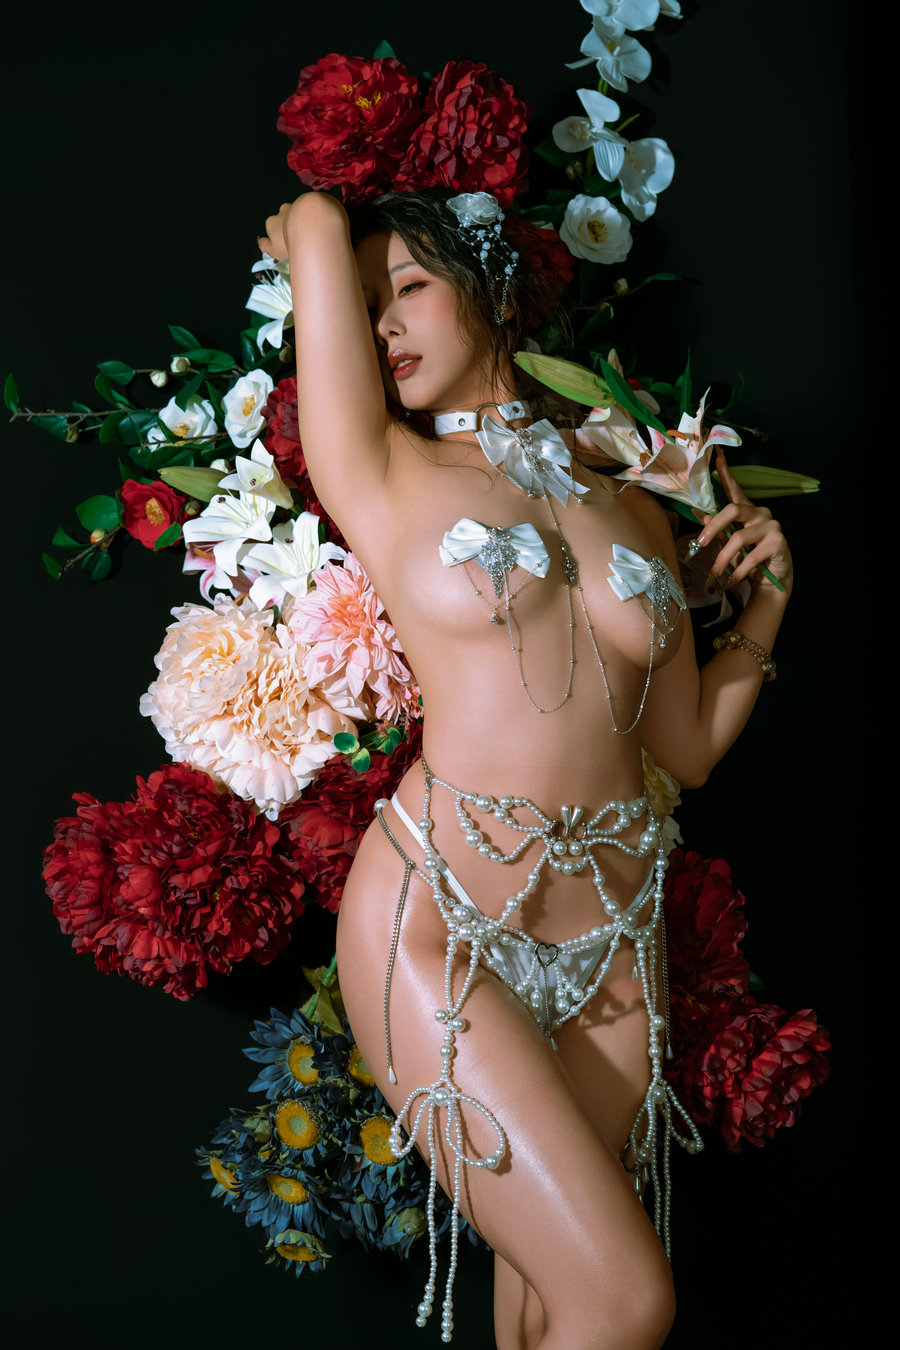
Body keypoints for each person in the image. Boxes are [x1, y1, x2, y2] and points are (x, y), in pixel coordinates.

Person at [258, 186, 793, 1350]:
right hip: (437, 924)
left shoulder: (630, 501)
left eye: (410, 288)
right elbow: (311, 215)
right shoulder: (380, 468)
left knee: (549, 1303)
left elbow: (686, 750)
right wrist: (310, 237)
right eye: (364, 303)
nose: (383, 325)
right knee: (625, 1301)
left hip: (612, 938)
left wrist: (767, 603)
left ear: (493, 289)